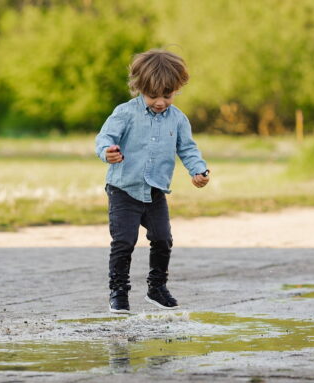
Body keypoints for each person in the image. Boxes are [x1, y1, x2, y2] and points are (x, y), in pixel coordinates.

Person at [95, 49, 210, 314]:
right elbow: (104, 138)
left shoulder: (178, 119)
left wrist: (199, 171)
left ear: (176, 90)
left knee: (162, 238)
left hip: (156, 190)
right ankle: (119, 292)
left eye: (167, 96)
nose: (160, 102)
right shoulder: (125, 113)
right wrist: (107, 152)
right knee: (124, 240)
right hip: (123, 189)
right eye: (153, 95)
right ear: (139, 88)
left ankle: (156, 288)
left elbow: (188, 149)